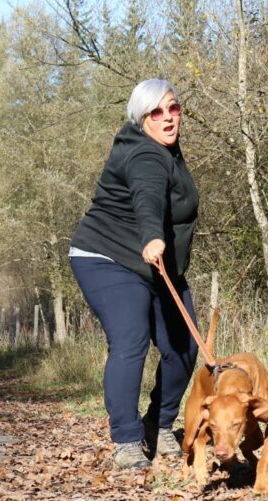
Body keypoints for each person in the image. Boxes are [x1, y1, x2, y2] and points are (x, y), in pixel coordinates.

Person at [70, 79, 200, 470]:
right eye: (156, 112)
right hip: (105, 256)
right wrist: (151, 237)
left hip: (155, 264)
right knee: (131, 338)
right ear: (140, 118)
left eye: (173, 108)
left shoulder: (170, 151)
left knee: (184, 345)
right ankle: (126, 440)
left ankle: (157, 425)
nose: (168, 118)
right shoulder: (145, 155)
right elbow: (147, 197)